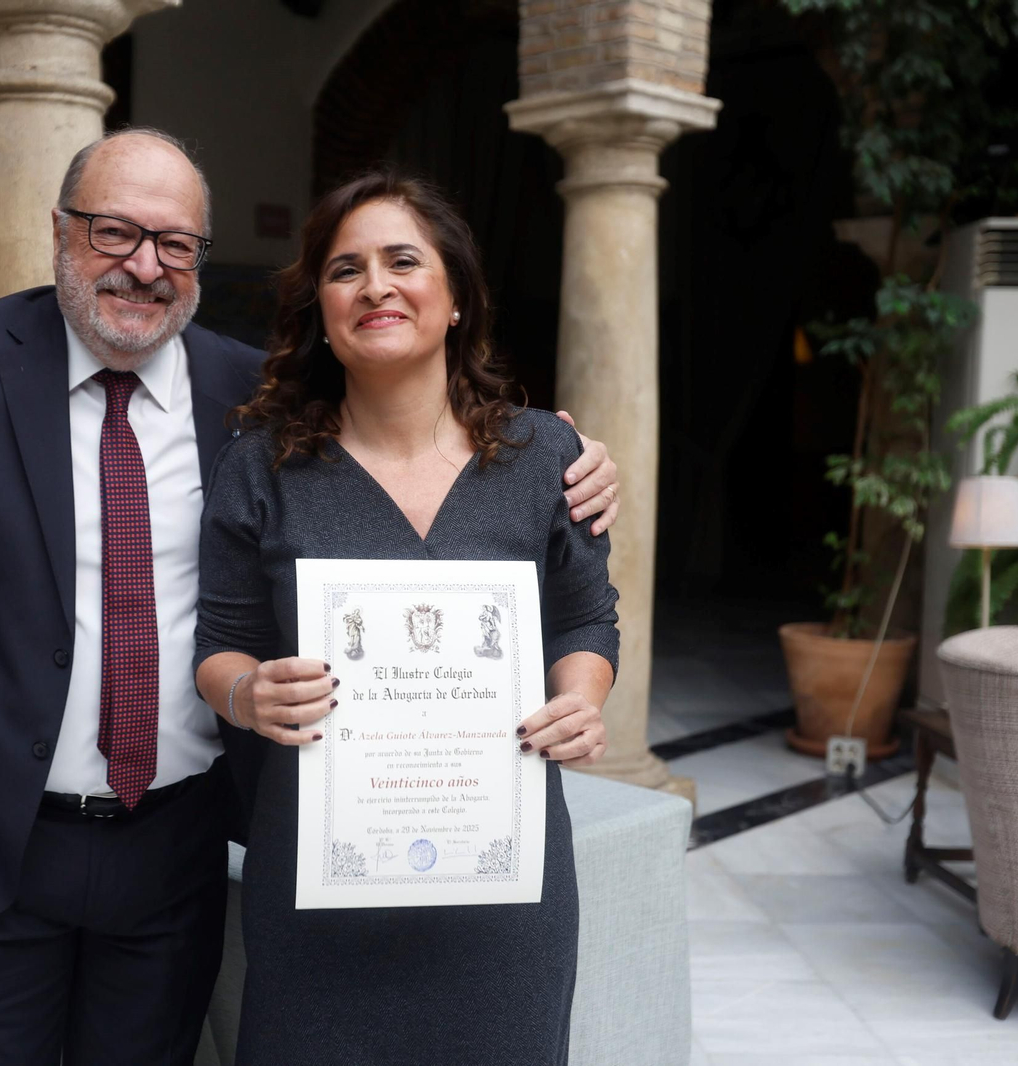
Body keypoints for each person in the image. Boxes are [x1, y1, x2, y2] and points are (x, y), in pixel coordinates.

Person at [0, 130, 620, 1066]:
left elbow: (563, 586)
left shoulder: (249, 398)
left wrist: (572, 459)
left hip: (177, 845)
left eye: (175, 244)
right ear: (59, 231)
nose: (144, 265)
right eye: (114, 231)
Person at [194, 170, 619, 1066]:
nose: (376, 286)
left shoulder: (548, 455)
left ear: (456, 296)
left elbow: (586, 618)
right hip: (318, 883)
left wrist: (580, 695)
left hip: (502, 894)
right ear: (321, 305)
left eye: (402, 261)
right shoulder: (261, 467)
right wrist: (246, 695)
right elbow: (218, 646)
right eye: (346, 269)